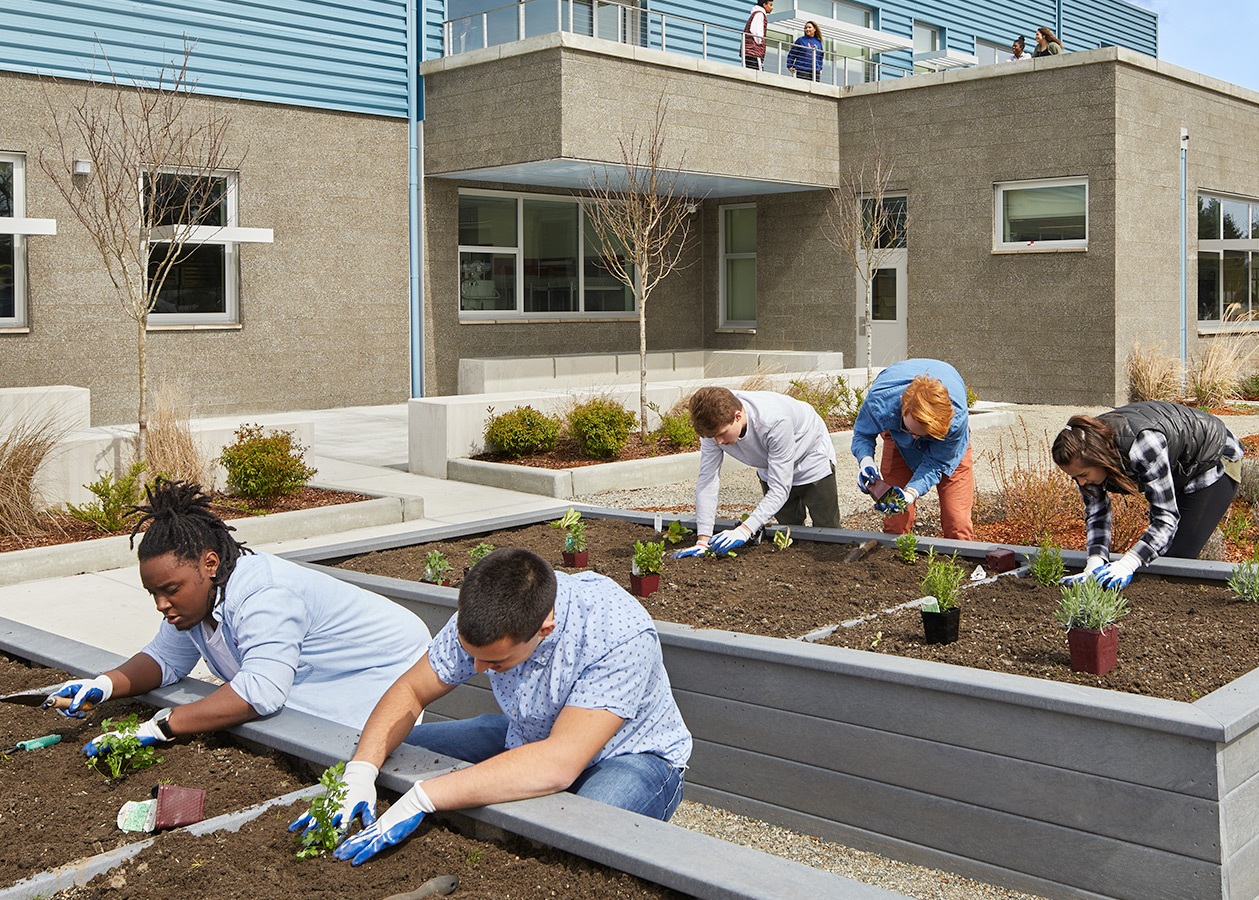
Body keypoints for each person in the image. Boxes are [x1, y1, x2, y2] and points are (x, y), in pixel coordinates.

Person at [306, 547, 692, 864]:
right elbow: (412, 690)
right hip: (527, 737)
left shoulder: (617, 633)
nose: (477, 669)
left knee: (573, 843)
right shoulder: (490, 611)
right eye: (473, 656)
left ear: (545, 629)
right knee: (399, 755)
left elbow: (559, 764)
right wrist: (359, 772)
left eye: (494, 663)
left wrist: (426, 797)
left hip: (633, 757)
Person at [46, 478, 432, 753]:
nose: (161, 604)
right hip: (327, 673)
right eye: (154, 593)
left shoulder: (264, 594)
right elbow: (164, 660)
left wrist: (162, 726)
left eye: (170, 590)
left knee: (337, 745)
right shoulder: (197, 603)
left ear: (209, 563)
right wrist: (103, 685)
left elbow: (260, 691)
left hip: (382, 669)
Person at [1051, 403, 1242, 588]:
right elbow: (1097, 514)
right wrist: (1094, 562)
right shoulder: (1084, 455)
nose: (1081, 482)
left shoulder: (1142, 445)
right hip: (1179, 463)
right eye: (1074, 477)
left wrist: (1128, 563)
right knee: (1160, 556)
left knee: (1177, 557)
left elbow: (1165, 520)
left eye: (1083, 475)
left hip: (1213, 457)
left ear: (1099, 459)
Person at [671, 386, 840, 559]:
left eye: (722, 434)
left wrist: (745, 530)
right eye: (714, 437)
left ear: (738, 416)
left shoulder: (773, 420)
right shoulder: (713, 428)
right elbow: (708, 480)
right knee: (790, 532)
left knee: (827, 532)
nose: (719, 441)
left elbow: (780, 489)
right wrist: (703, 540)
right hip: (771, 463)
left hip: (810, 459)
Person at [851, 359, 974, 541]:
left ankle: (959, 564)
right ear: (904, 409)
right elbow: (862, 432)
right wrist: (865, 461)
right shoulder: (881, 402)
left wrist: (910, 493)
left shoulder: (955, 421)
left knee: (958, 522)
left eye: (923, 434)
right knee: (895, 522)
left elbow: (937, 463)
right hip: (897, 442)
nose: (915, 439)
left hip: (945, 450)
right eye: (911, 430)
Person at [743, 0, 774, 70]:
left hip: (750, 50)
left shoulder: (756, 14)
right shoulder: (759, 14)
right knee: (756, 72)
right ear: (764, 5)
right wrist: (759, 42)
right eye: (770, 5)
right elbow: (755, 30)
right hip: (753, 51)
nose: (772, 8)